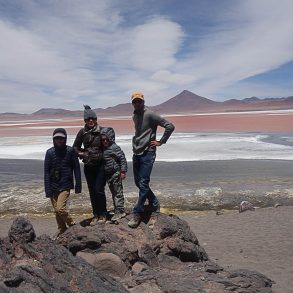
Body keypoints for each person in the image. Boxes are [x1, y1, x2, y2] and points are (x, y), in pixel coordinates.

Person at [128, 92, 175, 228]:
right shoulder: (134, 115)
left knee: (143, 183)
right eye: (135, 102)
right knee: (138, 182)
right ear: (132, 103)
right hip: (137, 152)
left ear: (143, 101)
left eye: (139, 101)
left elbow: (169, 126)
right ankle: (154, 203)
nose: (137, 104)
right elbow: (140, 132)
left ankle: (137, 212)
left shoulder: (150, 114)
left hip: (148, 153)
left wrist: (161, 141)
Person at [44, 128, 81, 239]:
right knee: (56, 211)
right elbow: (46, 172)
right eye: (57, 138)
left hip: (65, 184)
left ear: (65, 139)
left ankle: (72, 224)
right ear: (53, 139)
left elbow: (76, 169)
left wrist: (78, 185)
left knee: (60, 208)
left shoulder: (70, 151)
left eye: (61, 138)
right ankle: (62, 229)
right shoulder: (50, 152)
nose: (59, 140)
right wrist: (47, 189)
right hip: (53, 185)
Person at [73, 105, 107, 225]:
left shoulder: (102, 131)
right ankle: (96, 215)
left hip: (100, 165)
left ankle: (103, 214)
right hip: (88, 166)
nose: (90, 121)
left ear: (96, 119)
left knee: (99, 189)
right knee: (92, 191)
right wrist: (82, 153)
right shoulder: (82, 132)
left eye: (92, 118)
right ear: (85, 121)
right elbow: (75, 147)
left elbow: (108, 147)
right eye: (88, 119)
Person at [100, 127, 127, 221]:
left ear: (111, 138)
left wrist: (123, 171)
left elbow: (122, 159)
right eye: (103, 140)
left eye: (107, 139)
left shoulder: (114, 147)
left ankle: (120, 211)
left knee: (117, 192)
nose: (105, 141)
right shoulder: (103, 148)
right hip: (108, 174)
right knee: (113, 193)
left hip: (116, 173)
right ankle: (117, 209)